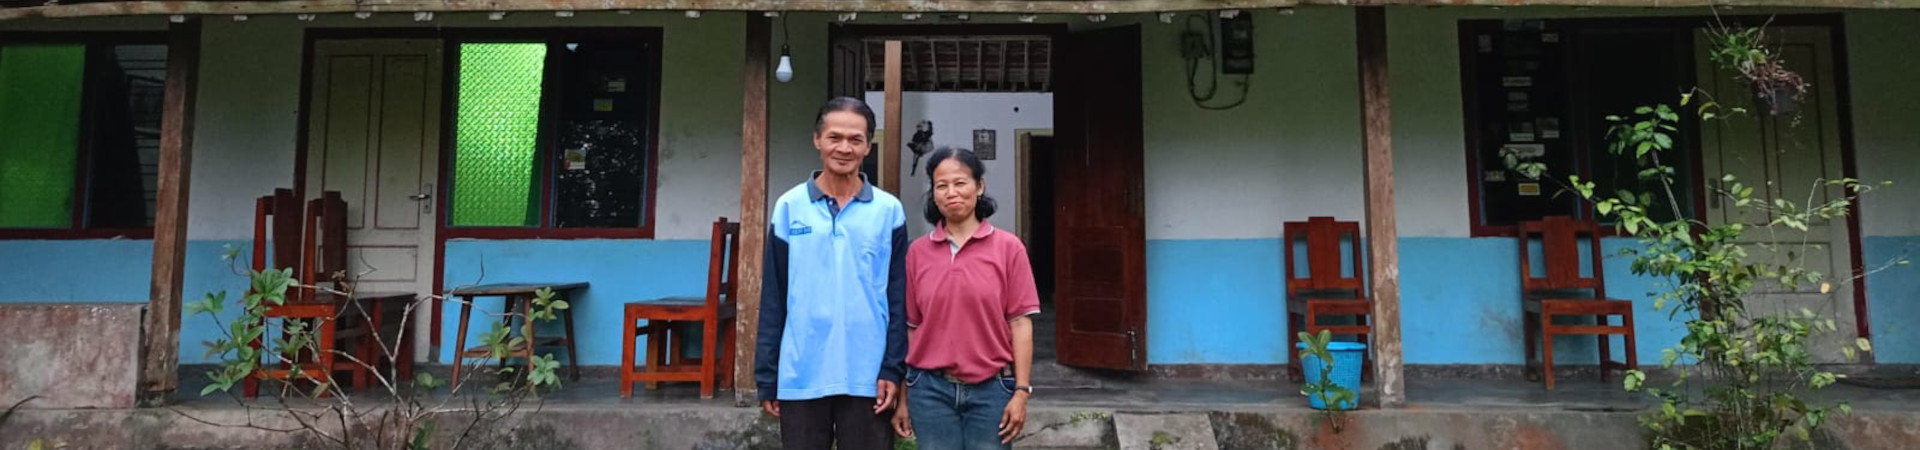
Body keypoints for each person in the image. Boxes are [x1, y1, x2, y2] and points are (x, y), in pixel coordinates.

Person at [755, 97, 909, 450]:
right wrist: (768, 375)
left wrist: (892, 369)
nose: (844, 148)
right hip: (802, 372)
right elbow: (774, 297)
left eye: (855, 139)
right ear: (817, 140)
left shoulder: (889, 211)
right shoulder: (789, 206)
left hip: (868, 377)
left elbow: (899, 298)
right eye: (834, 137)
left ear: (868, 146)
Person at [891, 147, 1040, 449]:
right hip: (930, 391)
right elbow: (911, 328)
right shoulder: (917, 253)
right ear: (933, 193)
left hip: (992, 390)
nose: (951, 193)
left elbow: (1020, 323)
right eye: (941, 185)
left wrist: (1021, 391)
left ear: (979, 186)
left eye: (960, 183)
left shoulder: (1009, 249)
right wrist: (904, 397)